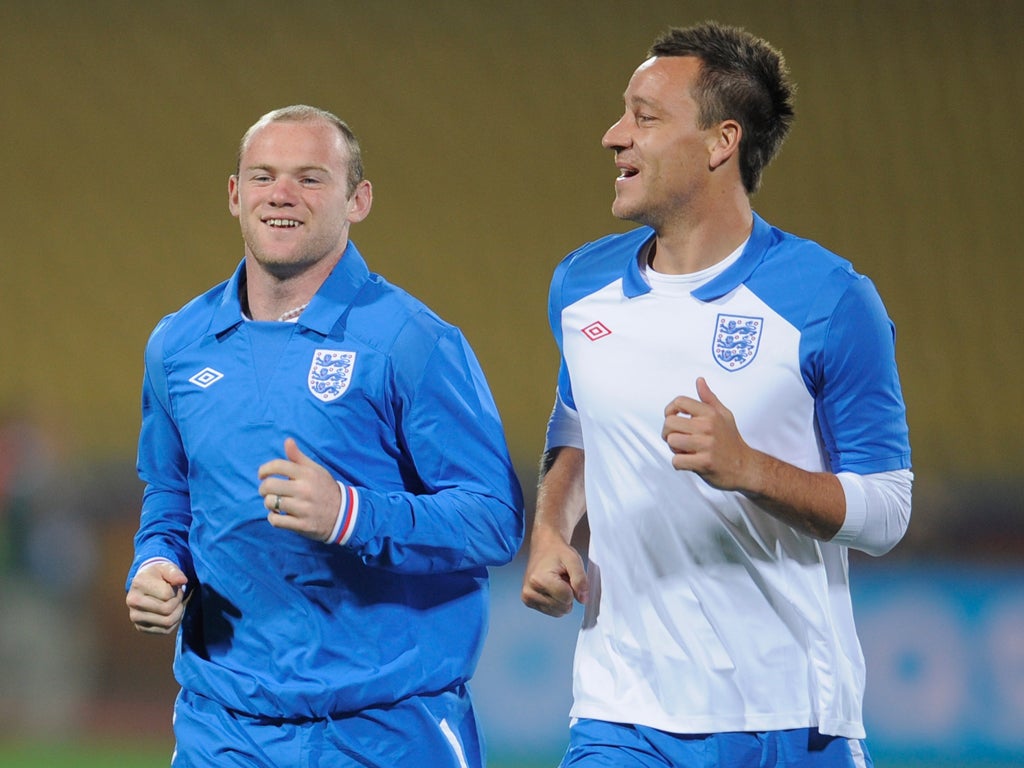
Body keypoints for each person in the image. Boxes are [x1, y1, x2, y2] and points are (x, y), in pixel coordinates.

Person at [521, 21, 911, 768]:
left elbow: (888, 511)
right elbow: (578, 426)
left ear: (719, 142)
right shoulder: (581, 289)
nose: (613, 136)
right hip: (621, 711)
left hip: (791, 717)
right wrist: (552, 529)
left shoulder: (829, 299)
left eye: (644, 117)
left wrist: (749, 469)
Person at [125, 105, 524, 767]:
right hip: (224, 727)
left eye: (310, 178)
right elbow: (171, 498)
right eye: (263, 176)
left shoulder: (411, 342)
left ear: (357, 200)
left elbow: (493, 520)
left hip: (386, 729)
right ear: (234, 194)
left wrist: (351, 513)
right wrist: (157, 564)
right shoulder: (177, 346)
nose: (281, 194)